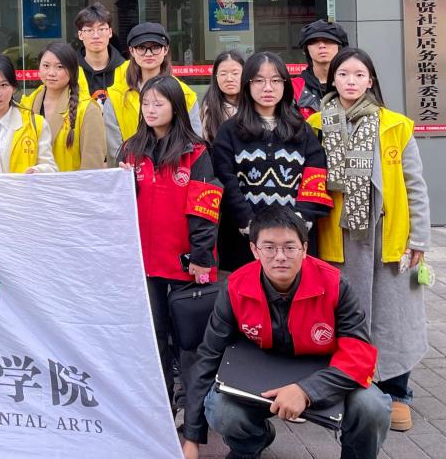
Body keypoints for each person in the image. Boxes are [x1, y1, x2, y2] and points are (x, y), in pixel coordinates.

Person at [181, 205, 390, 459]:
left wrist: (306, 391)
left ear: (304, 249)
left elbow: (358, 354)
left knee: (373, 407)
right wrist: (192, 438)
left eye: (290, 247)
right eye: (269, 247)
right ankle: (251, 443)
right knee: (221, 409)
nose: (280, 256)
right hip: (260, 374)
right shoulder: (235, 287)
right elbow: (208, 356)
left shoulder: (336, 285)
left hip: (323, 374)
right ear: (254, 250)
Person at [309, 47, 430, 432]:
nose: (351, 81)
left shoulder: (395, 125)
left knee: (394, 317)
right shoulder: (315, 124)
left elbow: (415, 186)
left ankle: (397, 392)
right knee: (343, 314)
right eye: (344, 74)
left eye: (359, 75)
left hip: (386, 235)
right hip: (337, 235)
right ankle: (346, 387)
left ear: (370, 80)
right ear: (332, 78)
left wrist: (419, 238)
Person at [117, 74, 221, 409]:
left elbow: (205, 209)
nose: (150, 110)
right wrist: (122, 181)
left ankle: (194, 407)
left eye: (158, 103)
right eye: (145, 103)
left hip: (184, 261)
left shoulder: (196, 152)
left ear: (175, 107)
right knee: (153, 334)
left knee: (189, 339)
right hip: (143, 262)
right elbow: (117, 204)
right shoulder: (130, 150)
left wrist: (201, 257)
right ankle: (160, 404)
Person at [211, 52, 333, 272]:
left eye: (276, 80)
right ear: (247, 85)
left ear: (285, 85)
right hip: (243, 242)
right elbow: (224, 180)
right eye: (259, 80)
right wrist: (250, 225)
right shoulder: (229, 131)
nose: (268, 88)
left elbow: (316, 178)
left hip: (295, 242)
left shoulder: (301, 129)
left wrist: (297, 223)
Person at [104, 22, 201, 165]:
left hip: (175, 170)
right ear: (131, 51)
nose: (148, 54)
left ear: (165, 49)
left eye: (155, 47)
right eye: (141, 48)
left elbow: (194, 145)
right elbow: (115, 152)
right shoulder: (116, 96)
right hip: (131, 171)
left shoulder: (186, 95)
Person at [23, 42, 106, 170]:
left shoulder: (88, 109)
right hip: (33, 181)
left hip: (70, 182)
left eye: (59, 67)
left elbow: (92, 167)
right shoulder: (27, 104)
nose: (51, 73)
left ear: (72, 70)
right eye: (46, 66)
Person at [292, 19, 349, 119]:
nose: (322, 46)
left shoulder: (353, 83)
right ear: (305, 49)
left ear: (340, 47)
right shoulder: (293, 87)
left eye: (328, 40)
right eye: (314, 41)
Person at [73, 2, 125, 103]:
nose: (96, 36)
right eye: (89, 30)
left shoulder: (126, 70)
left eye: (101, 29)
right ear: (80, 35)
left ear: (110, 32)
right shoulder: (71, 71)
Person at [200, 50, 244, 144]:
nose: (229, 79)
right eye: (223, 74)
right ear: (216, 76)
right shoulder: (208, 109)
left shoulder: (255, 105)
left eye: (235, 73)